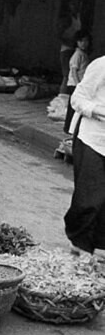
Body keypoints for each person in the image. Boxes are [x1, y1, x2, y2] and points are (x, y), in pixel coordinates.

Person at [64, 54, 105, 258]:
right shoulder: (102, 65)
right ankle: (79, 242)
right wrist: (97, 110)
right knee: (89, 197)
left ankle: (100, 245)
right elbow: (77, 98)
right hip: (93, 138)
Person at [64, 32, 91, 135]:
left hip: (78, 84)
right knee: (74, 107)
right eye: (81, 41)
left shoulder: (83, 54)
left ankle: (71, 127)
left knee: (74, 106)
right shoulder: (77, 55)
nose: (84, 43)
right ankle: (69, 127)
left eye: (86, 41)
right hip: (75, 84)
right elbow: (74, 71)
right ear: (77, 42)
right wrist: (78, 84)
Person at [58, 0, 82, 93]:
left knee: (73, 74)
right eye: (73, 4)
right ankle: (61, 97)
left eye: (77, 4)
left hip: (74, 49)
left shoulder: (78, 16)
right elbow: (59, 35)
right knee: (66, 75)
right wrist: (69, 43)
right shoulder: (67, 19)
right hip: (66, 49)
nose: (75, 6)